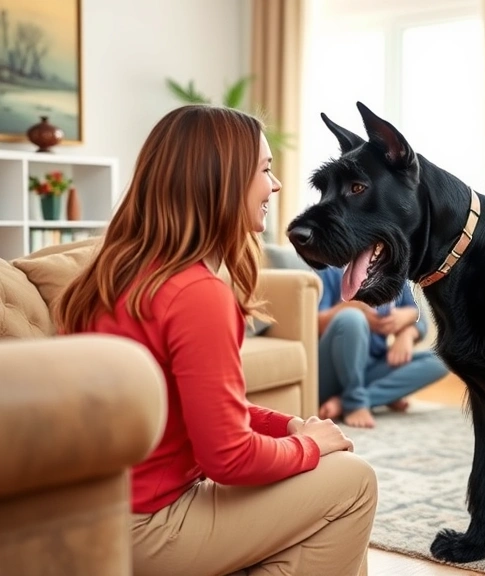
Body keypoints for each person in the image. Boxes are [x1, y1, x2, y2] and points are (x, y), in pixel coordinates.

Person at [52, 105, 378, 576]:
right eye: (265, 169)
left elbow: (198, 408)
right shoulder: (196, 293)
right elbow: (229, 458)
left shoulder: (113, 274)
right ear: (221, 180)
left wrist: (290, 428)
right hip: (145, 529)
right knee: (354, 480)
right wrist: (310, 446)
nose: (277, 185)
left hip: (88, 518)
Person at [316, 268, 450, 428]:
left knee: (443, 360)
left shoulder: (394, 273)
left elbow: (420, 320)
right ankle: (355, 402)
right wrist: (352, 307)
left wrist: (407, 332)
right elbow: (314, 322)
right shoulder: (329, 269)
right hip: (331, 371)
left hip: (372, 367)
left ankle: (348, 401)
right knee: (352, 318)